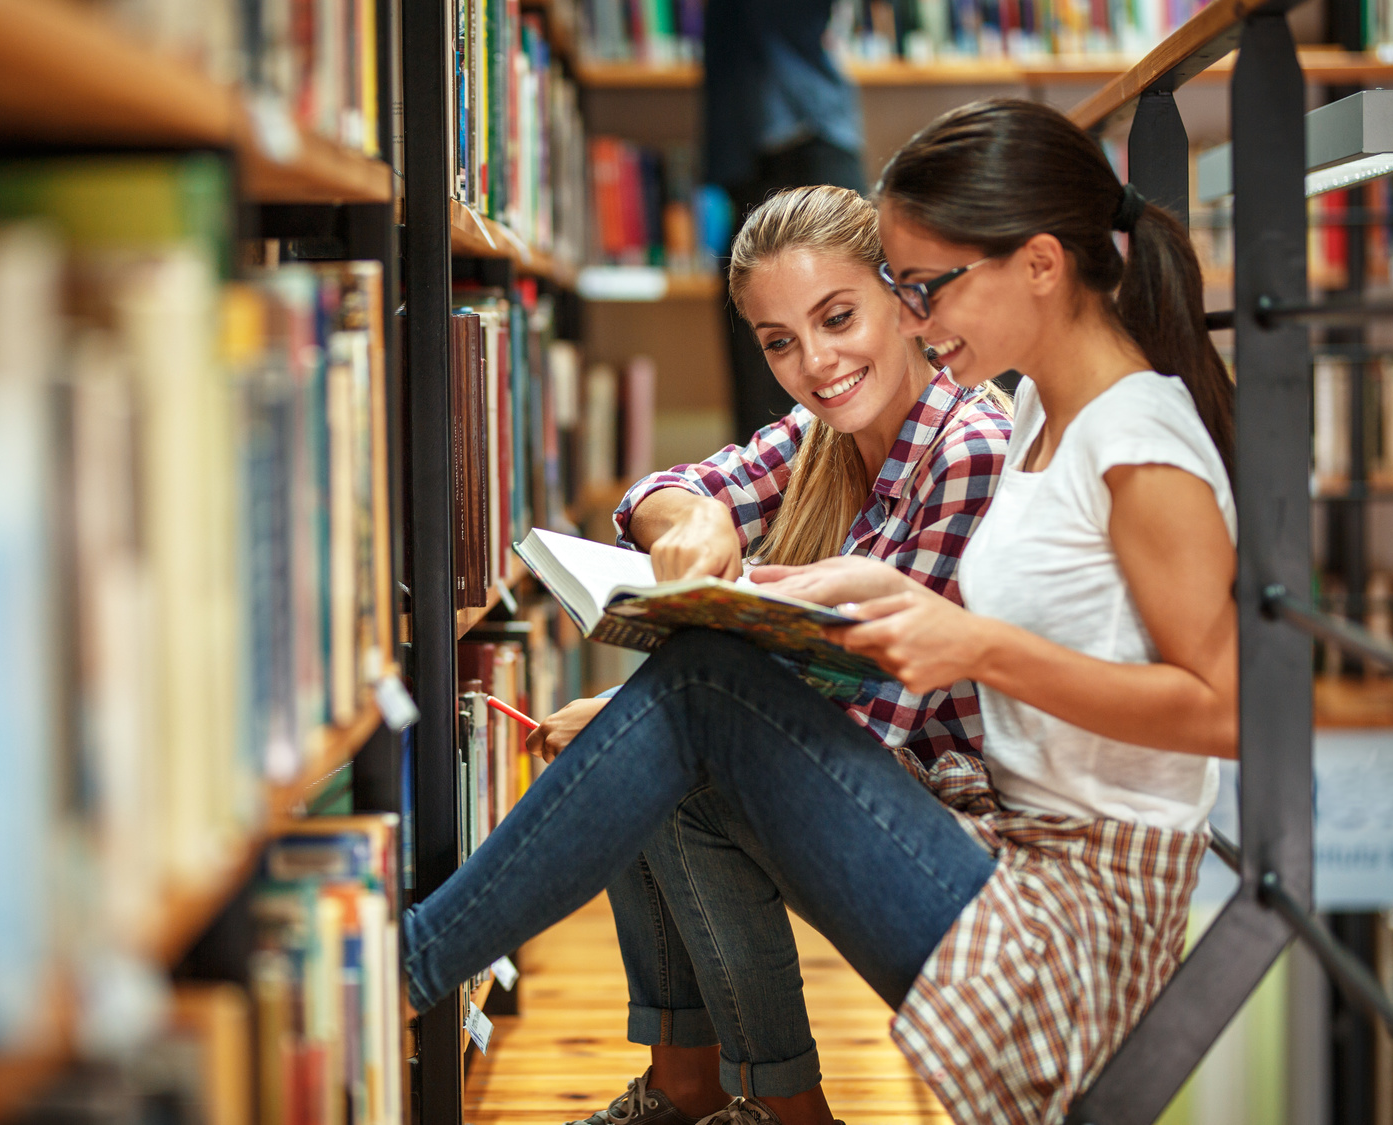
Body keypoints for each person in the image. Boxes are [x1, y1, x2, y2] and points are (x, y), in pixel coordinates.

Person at [405, 98, 1237, 1125]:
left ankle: (405, 975)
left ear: (1037, 263)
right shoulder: (1040, 412)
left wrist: (969, 642)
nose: (922, 323)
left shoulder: (1127, 441)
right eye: (909, 290)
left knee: (693, 696)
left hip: (1065, 923)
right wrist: (844, 584)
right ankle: (745, 1102)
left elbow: (1227, 711)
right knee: (678, 721)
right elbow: (690, 501)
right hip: (1000, 838)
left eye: (923, 291)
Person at [533, 184, 1010, 1125]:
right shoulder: (823, 436)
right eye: (780, 341)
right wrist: (701, 515)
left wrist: (639, 726)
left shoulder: (971, 447)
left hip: (968, 830)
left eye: (837, 318)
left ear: (905, 300)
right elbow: (652, 494)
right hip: (879, 781)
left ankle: (783, 1107)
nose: (816, 364)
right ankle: (685, 1085)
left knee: (659, 755)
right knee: (642, 745)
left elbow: (866, 711)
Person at [703, 0, 868, 444]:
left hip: (815, 129)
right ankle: (775, 490)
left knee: (852, 310)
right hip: (744, 149)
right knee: (758, 330)